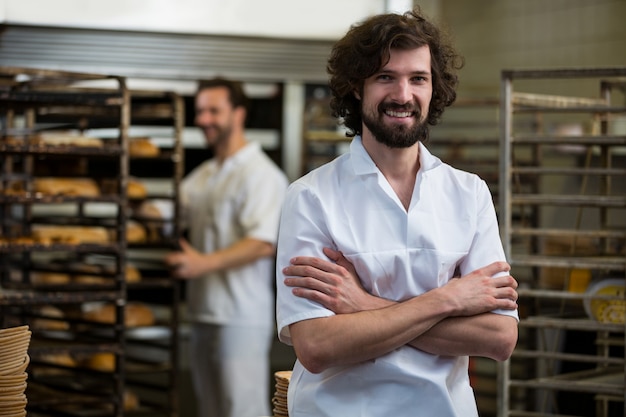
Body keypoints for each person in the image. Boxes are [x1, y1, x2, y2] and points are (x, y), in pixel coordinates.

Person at [275, 8, 519, 417]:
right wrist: (448, 299)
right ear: (357, 87)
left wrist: (362, 305)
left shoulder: (469, 193)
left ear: (432, 88)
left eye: (417, 78)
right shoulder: (310, 197)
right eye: (385, 77)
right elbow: (317, 346)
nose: (403, 95)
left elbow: (498, 337)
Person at [165, 78, 288, 417]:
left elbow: (263, 243)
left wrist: (200, 264)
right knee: (211, 409)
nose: (204, 119)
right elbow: (170, 210)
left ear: (238, 114)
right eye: (200, 111)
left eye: (213, 110)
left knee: (241, 409)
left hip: (241, 315)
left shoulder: (261, 174)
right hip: (204, 310)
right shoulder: (206, 174)